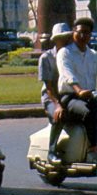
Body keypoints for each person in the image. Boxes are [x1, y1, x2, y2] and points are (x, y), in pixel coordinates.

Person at [56, 17, 97, 163]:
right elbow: (67, 73)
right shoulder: (65, 53)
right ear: (73, 32)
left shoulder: (93, 55)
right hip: (70, 96)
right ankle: (93, 149)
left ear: (90, 35)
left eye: (86, 33)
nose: (82, 36)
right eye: (79, 32)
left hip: (90, 95)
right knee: (89, 113)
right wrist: (78, 90)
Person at [38, 22, 72, 164]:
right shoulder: (46, 58)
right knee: (59, 115)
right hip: (51, 97)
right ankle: (51, 151)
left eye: (67, 37)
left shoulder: (72, 55)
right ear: (55, 40)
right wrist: (57, 104)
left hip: (68, 94)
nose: (64, 41)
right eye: (61, 38)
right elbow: (49, 86)